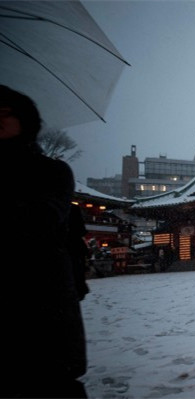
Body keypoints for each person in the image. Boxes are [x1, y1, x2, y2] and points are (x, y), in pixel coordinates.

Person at [0, 85, 88, 397]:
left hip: (42, 299)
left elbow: (41, 225)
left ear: (26, 120)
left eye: (6, 113)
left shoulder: (50, 172)